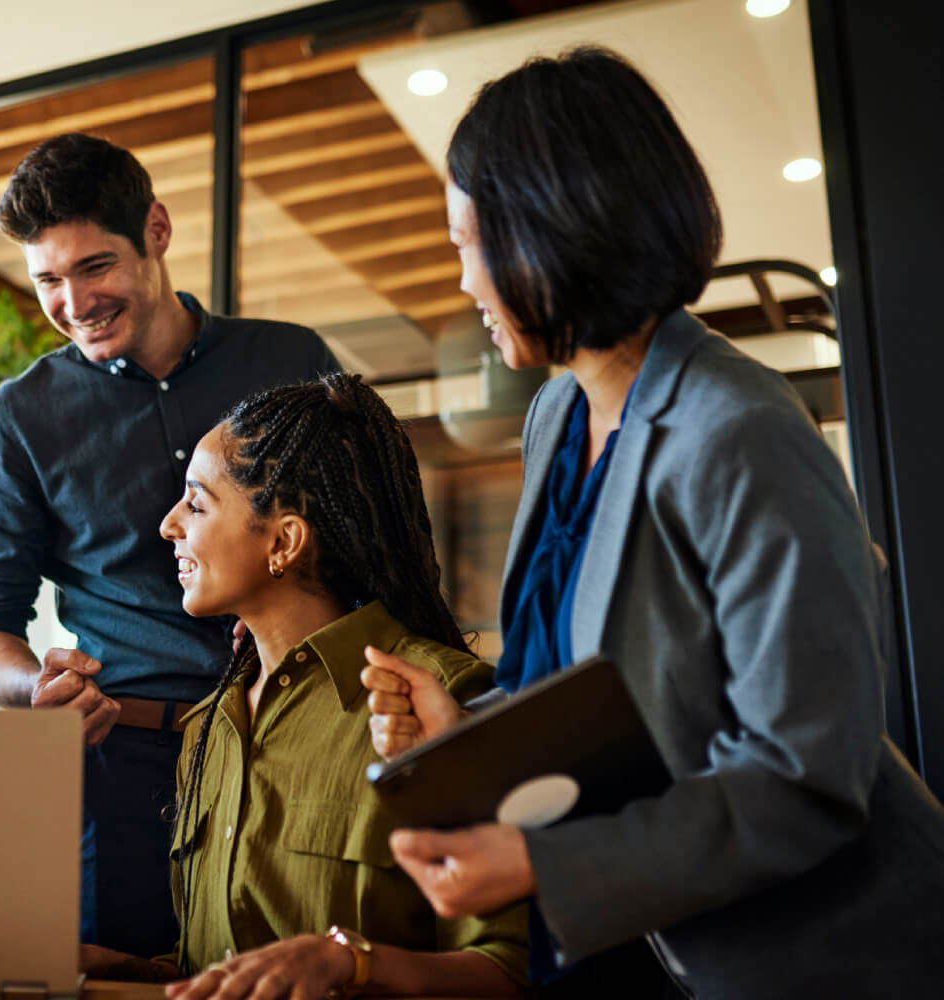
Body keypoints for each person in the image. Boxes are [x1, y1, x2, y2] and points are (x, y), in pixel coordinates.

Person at [362, 47, 944, 997]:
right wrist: (460, 728)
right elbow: (612, 689)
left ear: (552, 229)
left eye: (467, 241)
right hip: (629, 948)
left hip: (806, 960)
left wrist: (548, 865)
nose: (462, 279)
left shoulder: (743, 429)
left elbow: (805, 773)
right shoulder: (556, 413)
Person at [0, 132, 339, 956]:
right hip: (126, 767)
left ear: (156, 232)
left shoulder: (292, 361)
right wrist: (33, 687)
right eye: (48, 280)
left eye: (95, 267)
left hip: (302, 743)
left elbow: (366, 539)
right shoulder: (17, 421)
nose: (74, 302)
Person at [80, 374, 528, 998]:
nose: (168, 525)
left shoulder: (437, 699)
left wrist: (351, 962)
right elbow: (239, 956)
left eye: (198, 503)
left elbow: (506, 971)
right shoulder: (210, 726)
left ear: (284, 541)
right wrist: (141, 973)